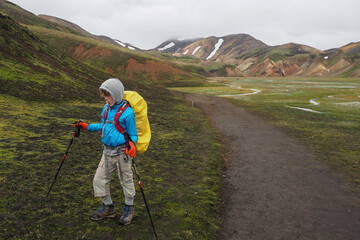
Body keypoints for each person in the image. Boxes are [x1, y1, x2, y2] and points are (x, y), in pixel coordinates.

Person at [75, 78, 138, 225]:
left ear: (116, 94)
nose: (106, 98)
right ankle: (108, 208)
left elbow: (133, 134)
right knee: (99, 180)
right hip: (107, 152)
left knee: (126, 181)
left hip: (122, 153)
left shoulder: (128, 113)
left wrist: (132, 144)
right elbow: (103, 126)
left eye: (108, 95)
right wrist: (86, 126)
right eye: (104, 95)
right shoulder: (106, 109)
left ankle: (129, 208)